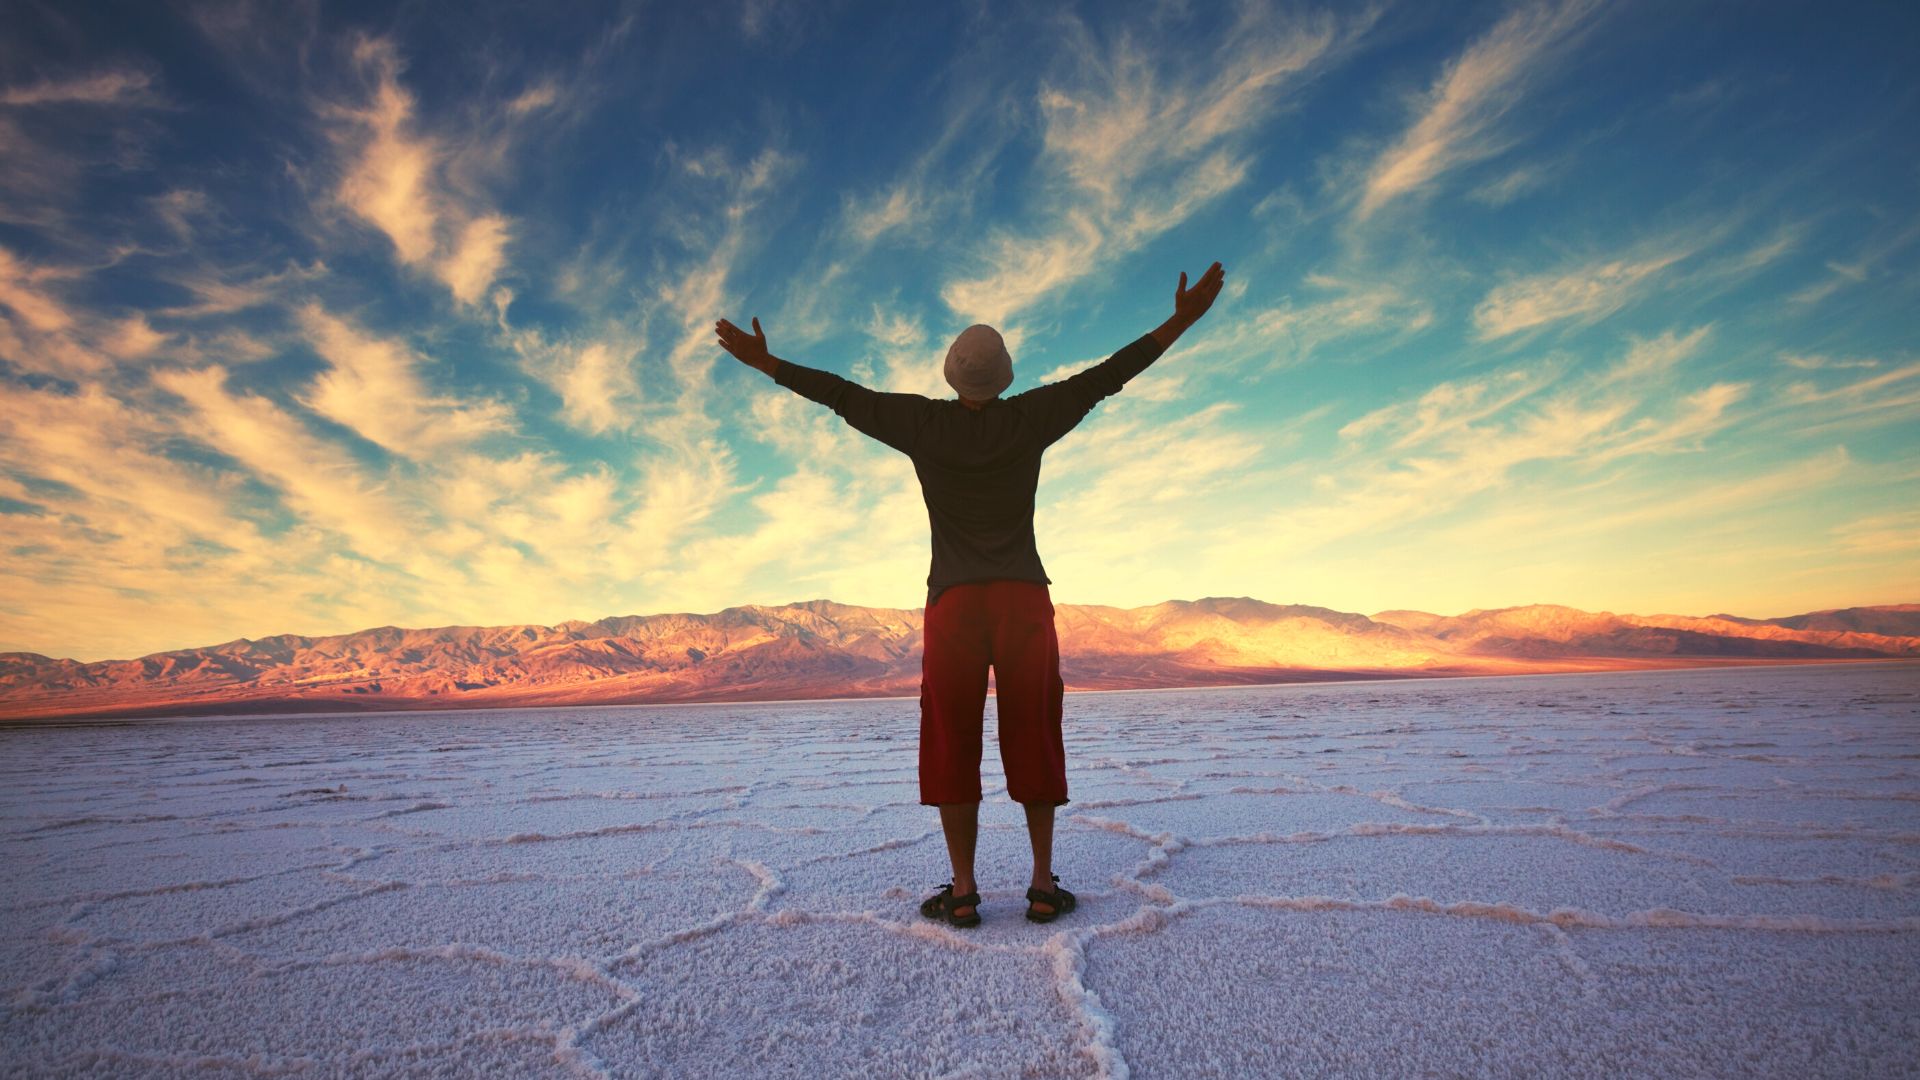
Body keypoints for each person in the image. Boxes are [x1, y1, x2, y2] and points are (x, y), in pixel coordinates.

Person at [715, 261, 1225, 927]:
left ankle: (963, 892)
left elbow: (839, 393)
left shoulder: (922, 426)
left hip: (954, 604)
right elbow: (1109, 375)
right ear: (1004, 374)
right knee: (1034, 733)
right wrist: (1182, 320)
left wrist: (767, 363)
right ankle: (1042, 887)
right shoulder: (1033, 417)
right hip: (1022, 601)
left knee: (951, 739)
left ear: (953, 375)